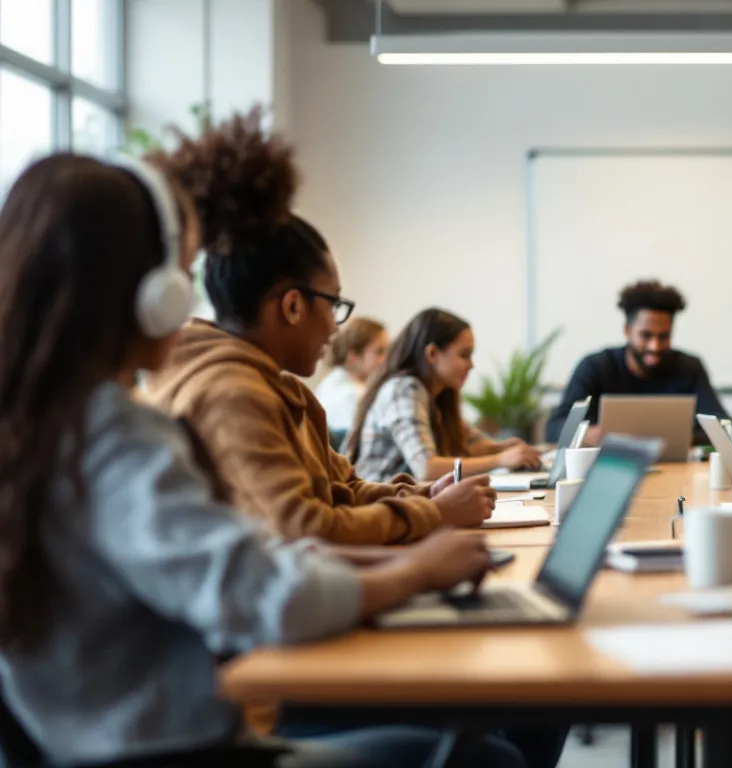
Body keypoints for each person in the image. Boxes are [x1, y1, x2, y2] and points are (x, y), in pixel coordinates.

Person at [0, 153, 502, 767]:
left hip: (96, 742)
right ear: (152, 295)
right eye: (182, 274)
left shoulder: (38, 424)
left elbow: (247, 553)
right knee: (482, 753)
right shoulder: (113, 436)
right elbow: (267, 598)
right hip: (180, 750)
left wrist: (396, 550)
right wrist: (414, 573)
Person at [142, 112, 496, 546]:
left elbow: (343, 492)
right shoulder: (232, 393)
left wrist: (424, 496)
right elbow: (306, 530)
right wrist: (431, 513)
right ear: (293, 305)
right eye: (334, 304)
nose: (334, 327)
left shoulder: (284, 389)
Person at [349, 308, 543, 482]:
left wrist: (502, 448)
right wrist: (500, 459)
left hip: (408, 500)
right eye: (464, 355)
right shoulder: (403, 389)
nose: (471, 365)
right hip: (379, 503)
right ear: (432, 353)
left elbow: (467, 443)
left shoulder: (438, 394)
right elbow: (427, 467)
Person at [544, 279, 728, 444]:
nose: (654, 346)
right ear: (627, 330)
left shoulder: (689, 368)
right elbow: (554, 428)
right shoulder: (595, 367)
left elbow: (724, 425)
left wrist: (681, 438)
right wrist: (591, 435)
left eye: (664, 336)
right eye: (646, 335)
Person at [314, 316, 388, 440]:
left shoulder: (329, 383)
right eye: (379, 352)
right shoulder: (351, 396)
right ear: (354, 356)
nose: (386, 359)